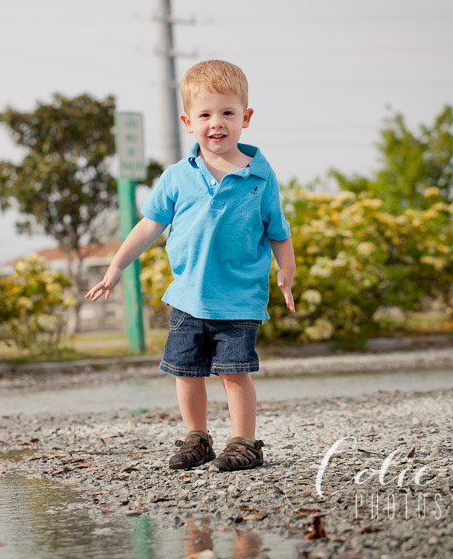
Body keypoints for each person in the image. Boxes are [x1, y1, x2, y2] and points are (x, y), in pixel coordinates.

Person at [85, 60, 296, 472]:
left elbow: (278, 229)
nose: (216, 123)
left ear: (245, 118)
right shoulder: (177, 176)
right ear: (188, 122)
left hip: (238, 298)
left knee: (234, 374)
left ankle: (244, 443)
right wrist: (115, 268)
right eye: (205, 115)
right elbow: (148, 227)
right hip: (187, 298)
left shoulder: (259, 175)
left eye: (227, 113)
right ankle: (197, 437)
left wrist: (285, 269)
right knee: (187, 373)